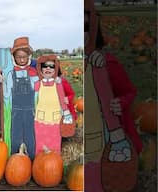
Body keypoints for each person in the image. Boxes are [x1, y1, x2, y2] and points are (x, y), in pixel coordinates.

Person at [84, 0, 142, 191]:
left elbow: (129, 92)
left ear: (92, 29)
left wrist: (121, 102)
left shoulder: (107, 63)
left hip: (103, 136)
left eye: (85, 27)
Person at [0, 37, 39, 160]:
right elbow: (6, 95)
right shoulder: (10, 74)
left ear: (29, 57)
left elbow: (37, 91)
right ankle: (14, 159)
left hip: (30, 109)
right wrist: (2, 83)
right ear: (14, 58)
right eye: (18, 57)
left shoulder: (33, 72)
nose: (21, 60)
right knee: (15, 134)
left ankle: (32, 158)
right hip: (15, 110)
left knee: (30, 135)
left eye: (24, 57)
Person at [34, 54, 73, 154]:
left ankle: (54, 157)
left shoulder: (58, 84)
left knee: (54, 139)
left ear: (55, 69)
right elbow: (34, 99)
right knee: (40, 139)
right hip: (40, 118)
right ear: (40, 69)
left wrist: (66, 112)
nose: (48, 68)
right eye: (45, 66)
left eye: (51, 66)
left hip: (55, 118)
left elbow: (61, 99)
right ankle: (40, 159)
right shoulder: (38, 84)